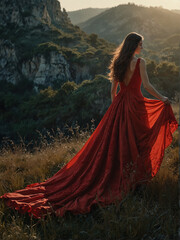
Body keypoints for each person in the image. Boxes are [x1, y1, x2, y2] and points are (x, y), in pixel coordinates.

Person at [0, 32, 178, 219]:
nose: (142, 46)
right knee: (137, 140)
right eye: (141, 43)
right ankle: (136, 180)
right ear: (134, 45)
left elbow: (113, 91)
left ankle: (130, 178)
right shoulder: (140, 62)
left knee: (118, 143)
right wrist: (163, 98)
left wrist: (116, 109)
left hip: (119, 106)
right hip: (136, 106)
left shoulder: (118, 62)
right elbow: (147, 86)